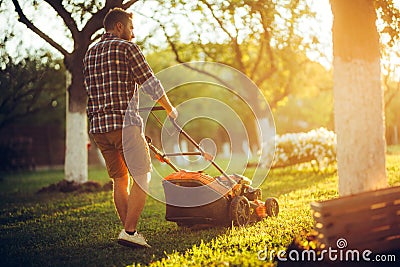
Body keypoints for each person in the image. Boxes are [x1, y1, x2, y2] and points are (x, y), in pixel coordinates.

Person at [83, 7, 177, 248]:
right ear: (119, 27)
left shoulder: (90, 54)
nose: (133, 34)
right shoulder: (127, 48)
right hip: (124, 126)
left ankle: (129, 234)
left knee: (119, 179)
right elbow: (150, 83)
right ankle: (130, 231)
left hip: (98, 128)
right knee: (142, 176)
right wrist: (169, 108)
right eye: (131, 29)